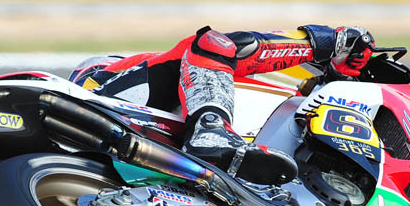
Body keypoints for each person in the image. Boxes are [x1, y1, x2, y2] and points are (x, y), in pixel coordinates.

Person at [70, 25, 374, 186]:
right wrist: (328, 43)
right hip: (102, 107)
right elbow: (222, 48)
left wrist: (332, 77)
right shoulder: (113, 73)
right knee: (213, 44)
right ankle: (210, 132)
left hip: (128, 155)